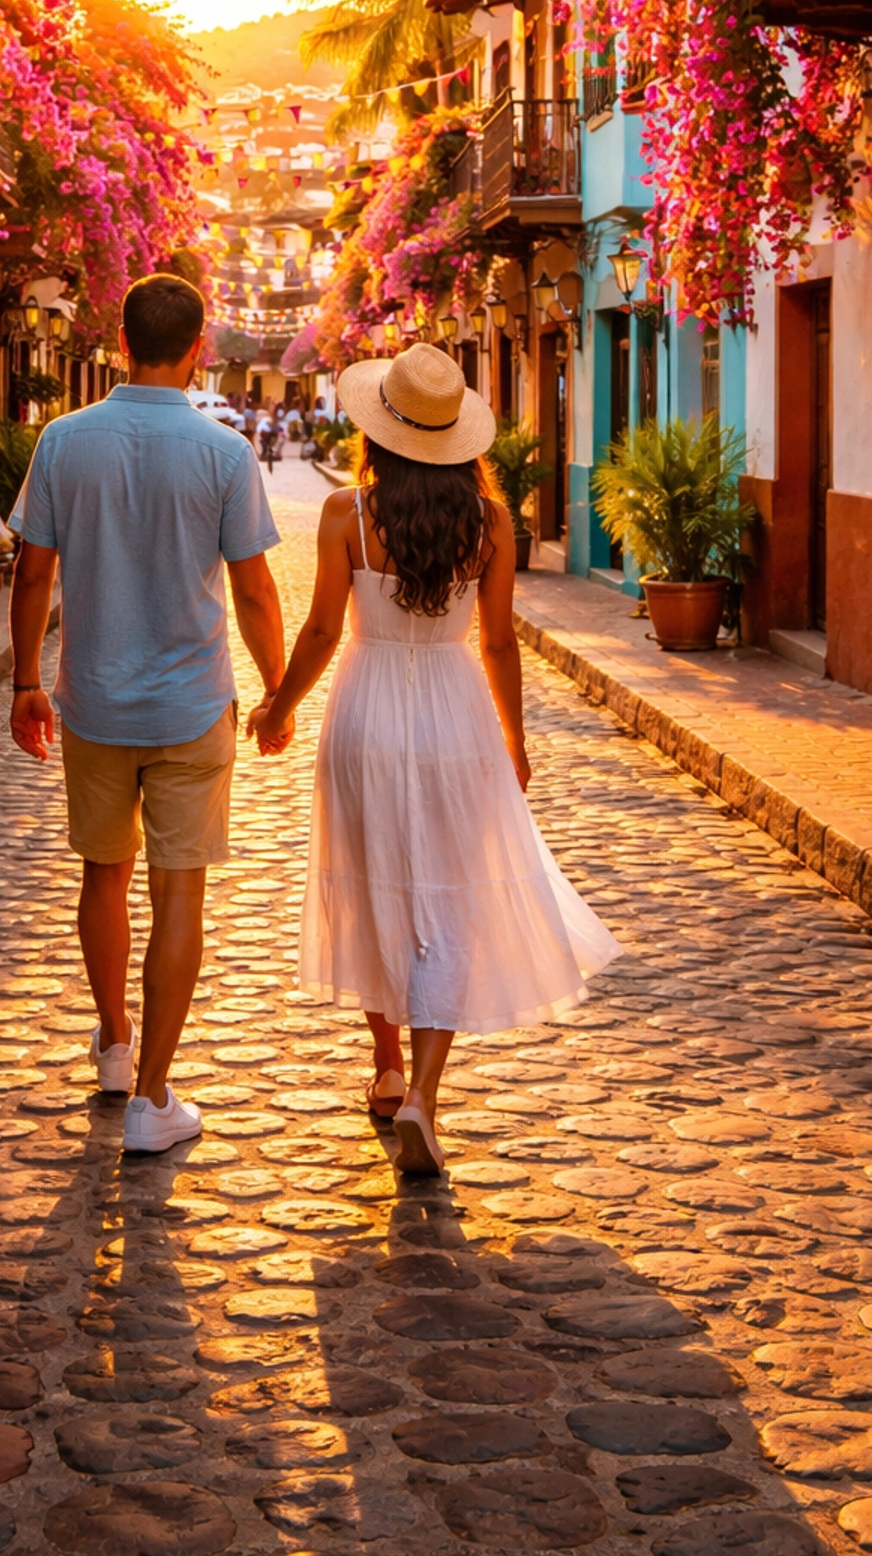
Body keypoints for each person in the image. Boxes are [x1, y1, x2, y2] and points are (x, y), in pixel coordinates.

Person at [252, 344, 620, 1176]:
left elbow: (317, 633)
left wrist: (280, 707)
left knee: (374, 882)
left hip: (365, 714)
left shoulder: (348, 512)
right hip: (456, 716)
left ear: (380, 432)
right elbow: (497, 643)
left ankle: (382, 1068)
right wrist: (514, 740)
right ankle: (422, 1090)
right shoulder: (490, 524)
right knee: (447, 901)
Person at [9, 273, 286, 1153]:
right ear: (199, 347)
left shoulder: (63, 440)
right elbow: (252, 589)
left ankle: (116, 1048)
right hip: (192, 704)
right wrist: (279, 689)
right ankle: (153, 1100)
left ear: (121, 340)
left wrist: (26, 680)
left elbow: (31, 572)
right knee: (178, 894)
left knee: (103, 874)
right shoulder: (223, 451)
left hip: (93, 700)